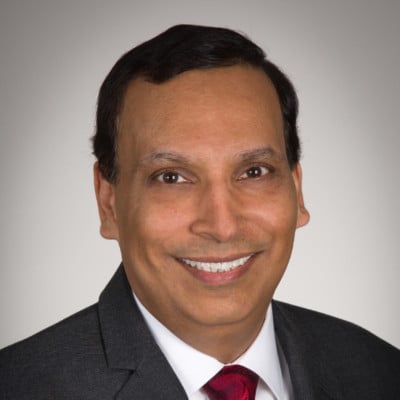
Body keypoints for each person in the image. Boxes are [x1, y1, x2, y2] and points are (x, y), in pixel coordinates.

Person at [0, 24, 399, 399]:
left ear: (297, 190)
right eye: (171, 177)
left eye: (254, 172)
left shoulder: (380, 371)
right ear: (108, 203)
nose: (222, 226)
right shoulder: (20, 386)